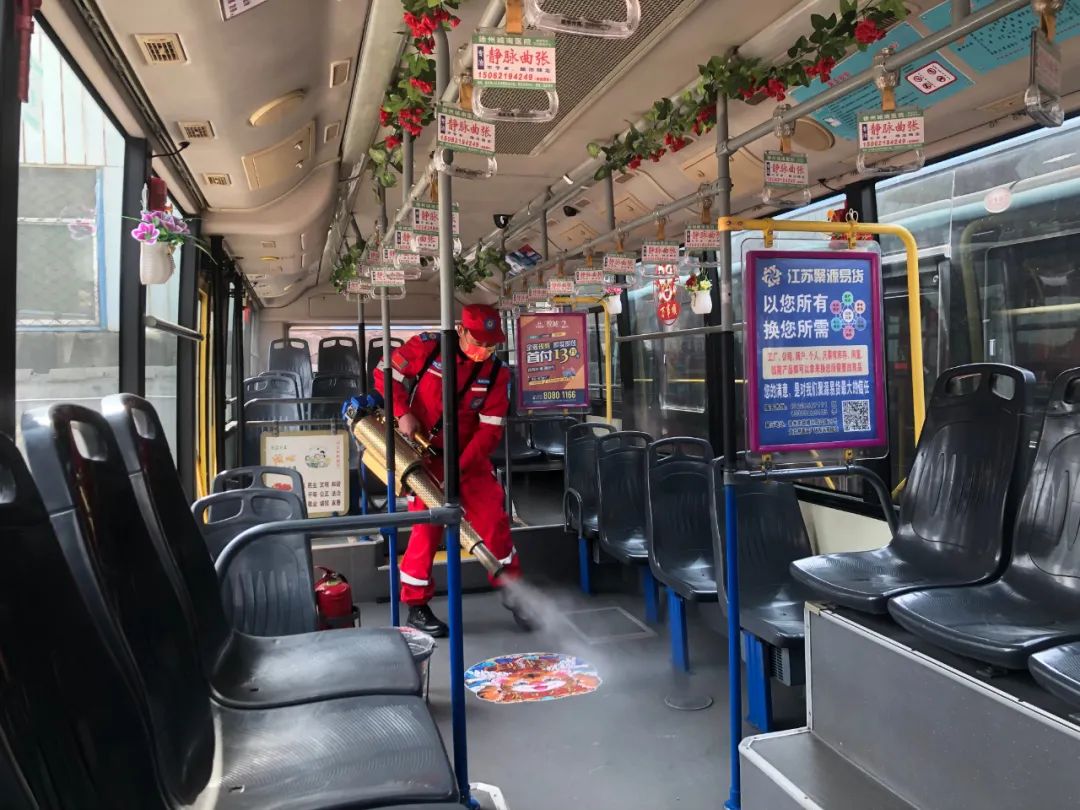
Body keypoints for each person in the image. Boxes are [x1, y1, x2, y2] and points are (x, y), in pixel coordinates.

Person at [374, 303, 532, 637]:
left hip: (469, 459)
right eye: (477, 341)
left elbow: (489, 432)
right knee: (426, 530)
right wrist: (402, 412)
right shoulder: (428, 348)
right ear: (460, 330)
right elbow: (384, 376)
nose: (483, 350)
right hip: (424, 458)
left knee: (493, 522)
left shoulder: (498, 374)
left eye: (490, 344)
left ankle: (513, 591)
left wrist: (456, 472)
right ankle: (416, 606)